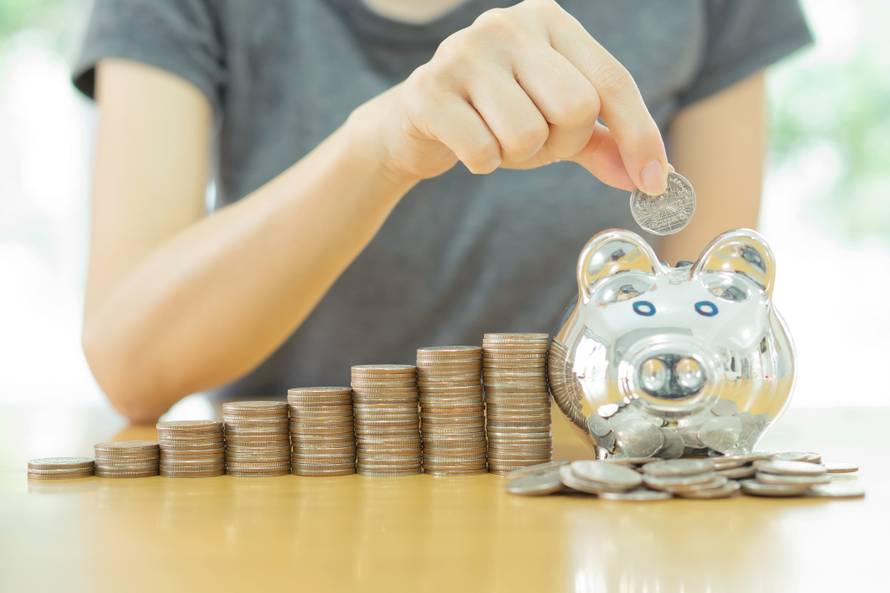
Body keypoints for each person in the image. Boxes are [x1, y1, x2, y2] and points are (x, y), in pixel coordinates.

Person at [72, 0, 810, 423]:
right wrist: (379, 148)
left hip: (579, 516)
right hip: (277, 519)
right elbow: (132, 361)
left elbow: (720, 348)